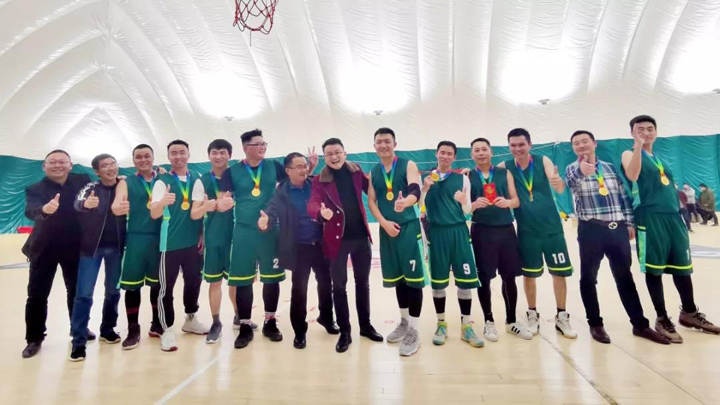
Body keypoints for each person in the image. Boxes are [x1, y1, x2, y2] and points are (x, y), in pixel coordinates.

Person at [621, 115, 720, 342]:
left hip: (673, 218)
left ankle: (689, 312)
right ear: (632, 133)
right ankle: (662, 317)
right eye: (639, 129)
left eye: (650, 128)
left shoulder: (660, 158)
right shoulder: (629, 153)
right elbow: (632, 175)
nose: (645, 132)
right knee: (654, 269)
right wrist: (638, 146)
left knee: (682, 267)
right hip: (650, 216)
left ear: (656, 132)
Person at [216, 129, 318, 349]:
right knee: (243, 280)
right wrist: (220, 204)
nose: (262, 147)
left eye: (264, 144)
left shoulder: (274, 166)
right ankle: (244, 325)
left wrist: (310, 167)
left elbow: (295, 180)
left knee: (272, 278)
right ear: (246, 148)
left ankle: (270, 322)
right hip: (244, 232)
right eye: (258, 144)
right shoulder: (232, 172)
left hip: (272, 230)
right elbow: (221, 199)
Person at [565, 130, 669, 345]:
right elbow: (571, 184)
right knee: (588, 278)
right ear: (573, 148)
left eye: (585, 141)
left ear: (594, 143)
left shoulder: (610, 168)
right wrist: (582, 171)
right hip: (590, 229)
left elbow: (623, 196)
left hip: (617, 229)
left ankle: (640, 324)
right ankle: (595, 323)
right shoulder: (572, 168)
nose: (581, 145)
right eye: (576, 143)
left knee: (625, 277)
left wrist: (629, 223)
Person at [499, 128, 577, 339]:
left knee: (559, 273)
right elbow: (488, 175)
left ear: (530, 145)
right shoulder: (505, 167)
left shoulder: (543, 160)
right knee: (529, 274)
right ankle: (532, 313)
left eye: (521, 144)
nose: (517, 149)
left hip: (552, 229)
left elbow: (558, 187)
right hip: (527, 230)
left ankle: (562, 316)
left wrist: (558, 182)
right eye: (513, 145)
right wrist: (468, 173)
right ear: (509, 147)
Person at [308, 138, 383, 353]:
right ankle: (345, 332)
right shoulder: (320, 180)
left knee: (363, 284)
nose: (334, 157)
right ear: (324, 157)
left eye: (337, 152)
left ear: (345, 153)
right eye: (329, 154)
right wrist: (320, 213)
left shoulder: (356, 171)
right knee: (339, 288)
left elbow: (373, 188)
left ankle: (366, 326)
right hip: (336, 241)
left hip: (361, 238)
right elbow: (312, 203)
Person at [259, 152, 338, 350]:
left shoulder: (315, 184)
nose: (304, 170)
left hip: (320, 244)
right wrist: (266, 221)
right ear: (288, 171)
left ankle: (326, 317)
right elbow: (271, 211)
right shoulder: (281, 192)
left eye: (305, 165)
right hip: (299, 247)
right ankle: (300, 331)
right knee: (299, 289)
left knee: (326, 284)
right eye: (299, 167)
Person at [22, 150, 94, 359]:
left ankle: (78, 328)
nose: (57, 165)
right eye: (52, 162)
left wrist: (118, 180)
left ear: (70, 165)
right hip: (44, 248)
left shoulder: (82, 181)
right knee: (37, 295)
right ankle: (34, 338)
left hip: (75, 247)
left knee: (76, 292)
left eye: (62, 162)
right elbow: (30, 211)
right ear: (44, 166)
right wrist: (44, 209)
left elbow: (101, 187)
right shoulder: (35, 188)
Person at [367, 128, 426, 356]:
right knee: (399, 279)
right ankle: (404, 321)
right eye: (379, 142)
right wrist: (383, 223)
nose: (383, 145)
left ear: (395, 144)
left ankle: (414, 331)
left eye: (387, 141)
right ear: (374, 146)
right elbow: (372, 202)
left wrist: (407, 202)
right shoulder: (374, 171)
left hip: (408, 228)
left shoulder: (408, 165)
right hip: (387, 231)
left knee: (414, 281)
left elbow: (415, 190)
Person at [468, 138, 532, 341]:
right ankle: (489, 321)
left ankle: (511, 321)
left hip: (505, 229)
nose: (481, 153)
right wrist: (473, 204)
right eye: (477, 150)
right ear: (471, 154)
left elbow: (516, 200)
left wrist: (507, 202)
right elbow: (463, 207)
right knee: (484, 278)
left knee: (509, 277)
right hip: (481, 230)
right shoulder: (467, 176)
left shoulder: (505, 173)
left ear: (491, 152)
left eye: (484, 149)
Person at [420, 141, 483, 348]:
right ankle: (441, 324)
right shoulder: (426, 178)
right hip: (437, 234)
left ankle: (466, 326)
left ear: (454, 157)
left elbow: (467, 210)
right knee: (438, 283)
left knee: (465, 281)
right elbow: (419, 206)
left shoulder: (462, 179)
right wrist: (425, 189)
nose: (445, 156)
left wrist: (465, 201)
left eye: (449, 154)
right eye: (442, 153)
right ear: (436, 154)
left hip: (459, 232)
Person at [150, 140, 210, 351]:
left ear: (188, 154)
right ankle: (166, 329)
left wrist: (201, 233)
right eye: (173, 153)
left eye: (182, 152)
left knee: (194, 281)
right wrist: (162, 202)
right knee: (165, 288)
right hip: (169, 244)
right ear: (168, 157)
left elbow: (199, 209)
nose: (178, 156)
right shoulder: (162, 182)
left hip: (192, 242)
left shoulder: (197, 178)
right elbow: (154, 213)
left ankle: (191, 318)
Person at [69, 154, 127, 361]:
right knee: (84, 294)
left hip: (117, 249)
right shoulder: (91, 187)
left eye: (113, 164)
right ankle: (78, 341)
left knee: (113, 292)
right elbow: (77, 202)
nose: (110, 168)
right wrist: (86, 204)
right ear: (97, 171)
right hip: (91, 250)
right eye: (105, 166)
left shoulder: (124, 185)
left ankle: (108, 329)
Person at [111, 145, 162, 350]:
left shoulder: (163, 179)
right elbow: (117, 203)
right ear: (133, 161)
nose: (143, 160)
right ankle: (133, 329)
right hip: (136, 239)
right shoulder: (126, 182)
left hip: (160, 239)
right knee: (132, 286)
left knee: (158, 285)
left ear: (153, 158)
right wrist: (118, 207)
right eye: (138, 157)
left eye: (147, 156)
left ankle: (157, 323)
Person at [199, 139, 237, 344]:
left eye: (223, 152)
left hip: (236, 236)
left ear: (229, 155)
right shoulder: (202, 180)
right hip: (213, 236)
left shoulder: (238, 176)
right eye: (214, 152)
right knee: (214, 281)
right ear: (209, 155)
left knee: (237, 280)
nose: (218, 156)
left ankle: (239, 316)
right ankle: (216, 322)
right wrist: (200, 234)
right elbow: (195, 210)